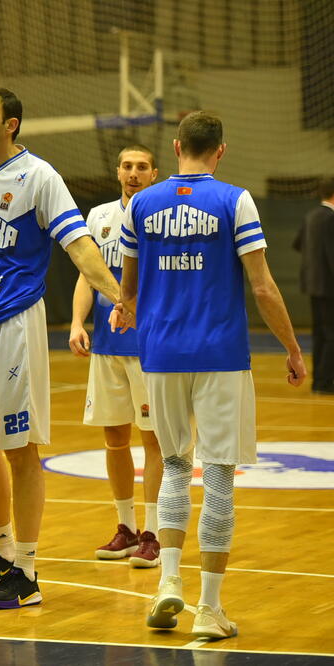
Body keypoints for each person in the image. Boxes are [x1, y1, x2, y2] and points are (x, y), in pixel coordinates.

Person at [113, 111, 306, 639]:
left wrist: (124, 307)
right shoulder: (234, 200)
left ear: (176, 147)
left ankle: (168, 581)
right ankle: (209, 609)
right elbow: (263, 286)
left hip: (160, 353)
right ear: (220, 151)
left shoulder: (142, 204)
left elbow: (127, 283)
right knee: (218, 473)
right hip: (220, 353)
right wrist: (292, 347)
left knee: (175, 465)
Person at [0, 87, 121, 610]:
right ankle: (0, 551)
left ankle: (28, 569)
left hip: (11, 323)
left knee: (18, 449)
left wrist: (118, 299)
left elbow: (80, 246)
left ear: (11, 124)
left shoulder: (40, 177)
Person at [69, 145, 164, 567]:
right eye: (127, 166)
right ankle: (125, 528)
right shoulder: (99, 216)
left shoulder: (161, 217)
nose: (133, 173)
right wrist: (76, 323)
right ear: (118, 171)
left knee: (153, 440)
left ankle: (153, 533)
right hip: (106, 348)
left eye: (141, 167)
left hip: (148, 348)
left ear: (154, 174)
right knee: (114, 439)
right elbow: (87, 276)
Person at [293, 177, 334, 394]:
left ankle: (319, 380)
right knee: (330, 335)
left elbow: (298, 244)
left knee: (320, 334)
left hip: (312, 284)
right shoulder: (330, 218)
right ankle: (325, 383)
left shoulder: (310, 216)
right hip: (329, 287)